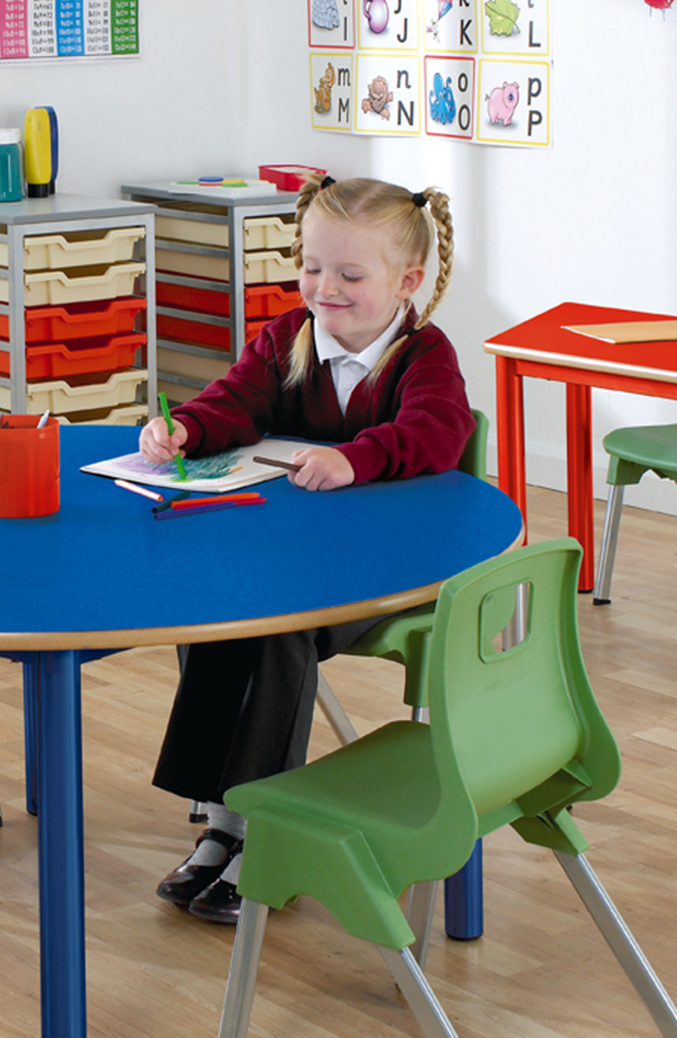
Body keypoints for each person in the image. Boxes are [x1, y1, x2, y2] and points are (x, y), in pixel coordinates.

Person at [139, 177, 474, 924]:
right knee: (221, 613)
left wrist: (356, 458)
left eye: (350, 275)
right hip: (293, 554)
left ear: (406, 281)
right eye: (313, 267)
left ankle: (266, 831)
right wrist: (187, 427)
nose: (326, 289)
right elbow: (235, 400)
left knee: (278, 629)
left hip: (390, 571)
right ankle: (224, 821)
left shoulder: (424, 353)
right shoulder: (286, 337)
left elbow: (437, 434)